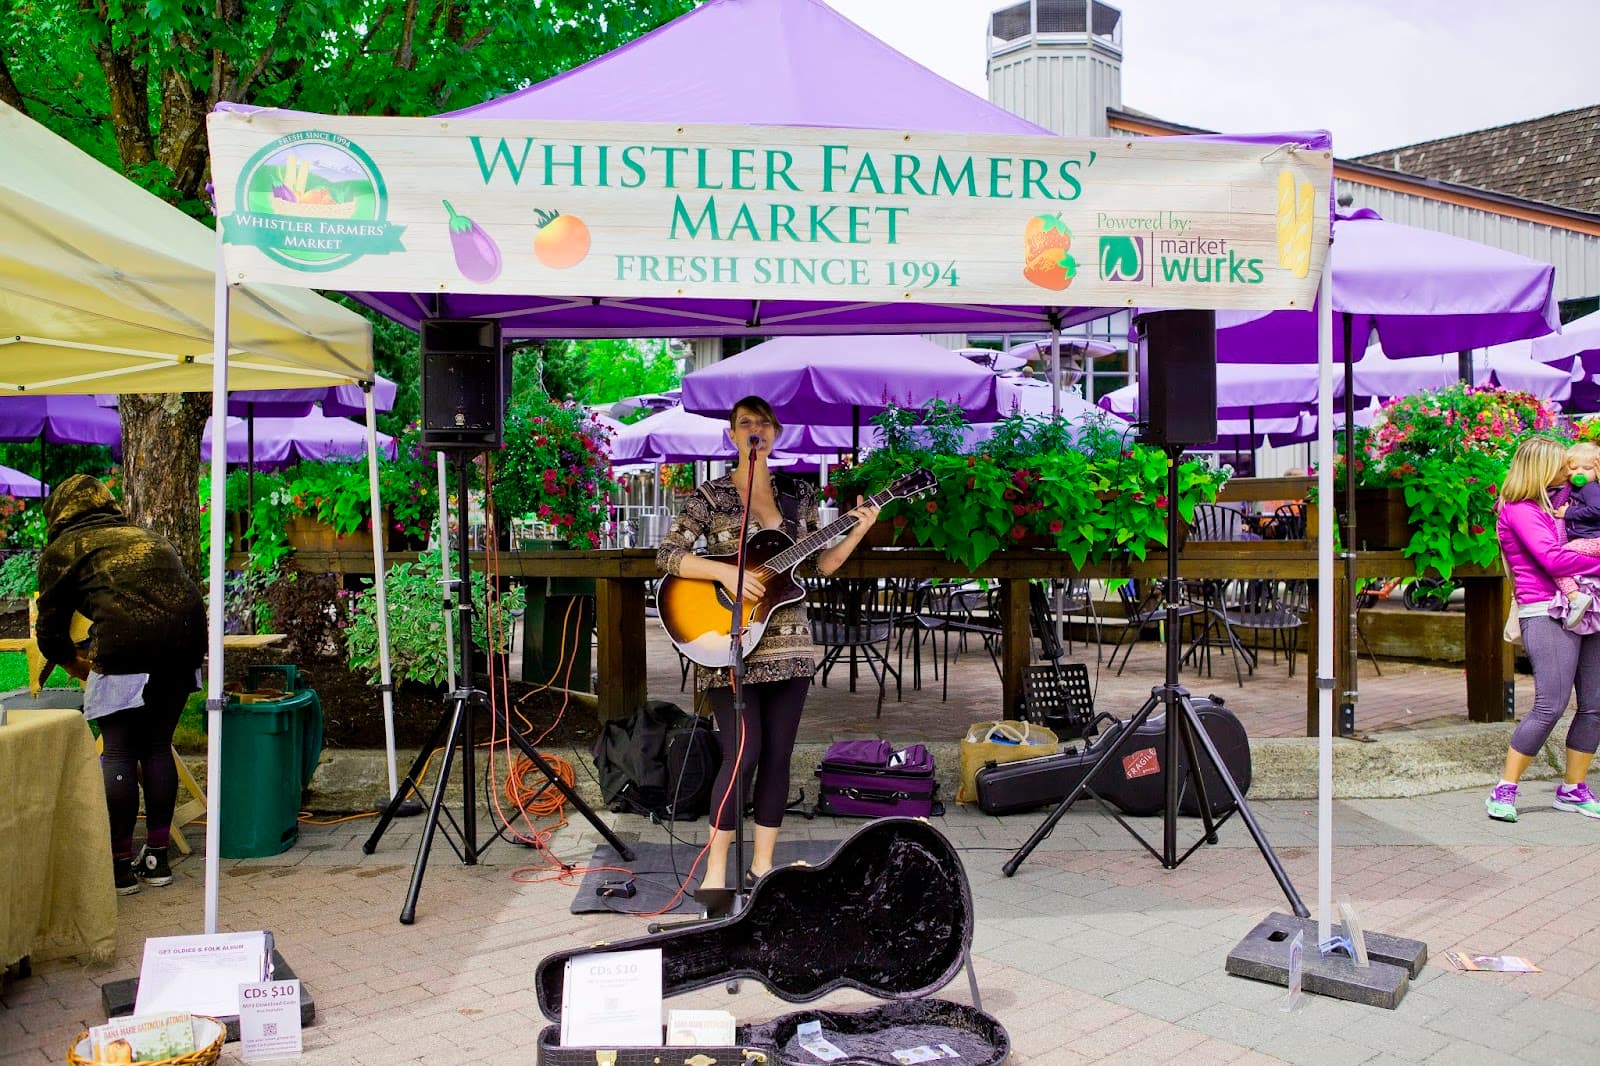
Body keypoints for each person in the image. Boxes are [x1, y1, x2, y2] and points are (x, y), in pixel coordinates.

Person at [656, 396, 879, 891]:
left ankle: (762, 868)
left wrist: (860, 528)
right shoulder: (708, 498)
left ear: (775, 433)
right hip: (726, 643)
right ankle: (716, 872)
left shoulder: (798, 498)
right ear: (732, 436)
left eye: (764, 423)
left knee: (779, 756)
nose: (755, 429)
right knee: (743, 754)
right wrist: (725, 572)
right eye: (745, 423)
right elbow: (668, 555)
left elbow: (822, 563)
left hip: (789, 645)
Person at [36, 474, 206, 893]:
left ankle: (118, 867)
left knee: (119, 751)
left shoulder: (64, 548)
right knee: (156, 746)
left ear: (60, 511)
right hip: (184, 645)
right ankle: (158, 859)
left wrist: (74, 663)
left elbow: (50, 631)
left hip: (127, 647)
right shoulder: (147, 537)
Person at [1489, 437, 1600, 822]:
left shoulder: (1560, 503)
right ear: (1540, 468)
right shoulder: (1520, 509)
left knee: (1594, 705)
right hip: (1545, 610)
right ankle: (1505, 789)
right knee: (1550, 705)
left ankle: (1572, 789)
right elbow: (1552, 559)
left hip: (1588, 604)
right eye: (1562, 466)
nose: (1569, 472)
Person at [1548, 441, 1600, 628]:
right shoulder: (1576, 490)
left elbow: (1597, 509)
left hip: (1595, 540)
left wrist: (1567, 513)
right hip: (1590, 540)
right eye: (1574, 467)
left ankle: (1574, 597)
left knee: (1558, 558)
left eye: (1586, 468)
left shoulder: (1590, 488)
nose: (1579, 472)